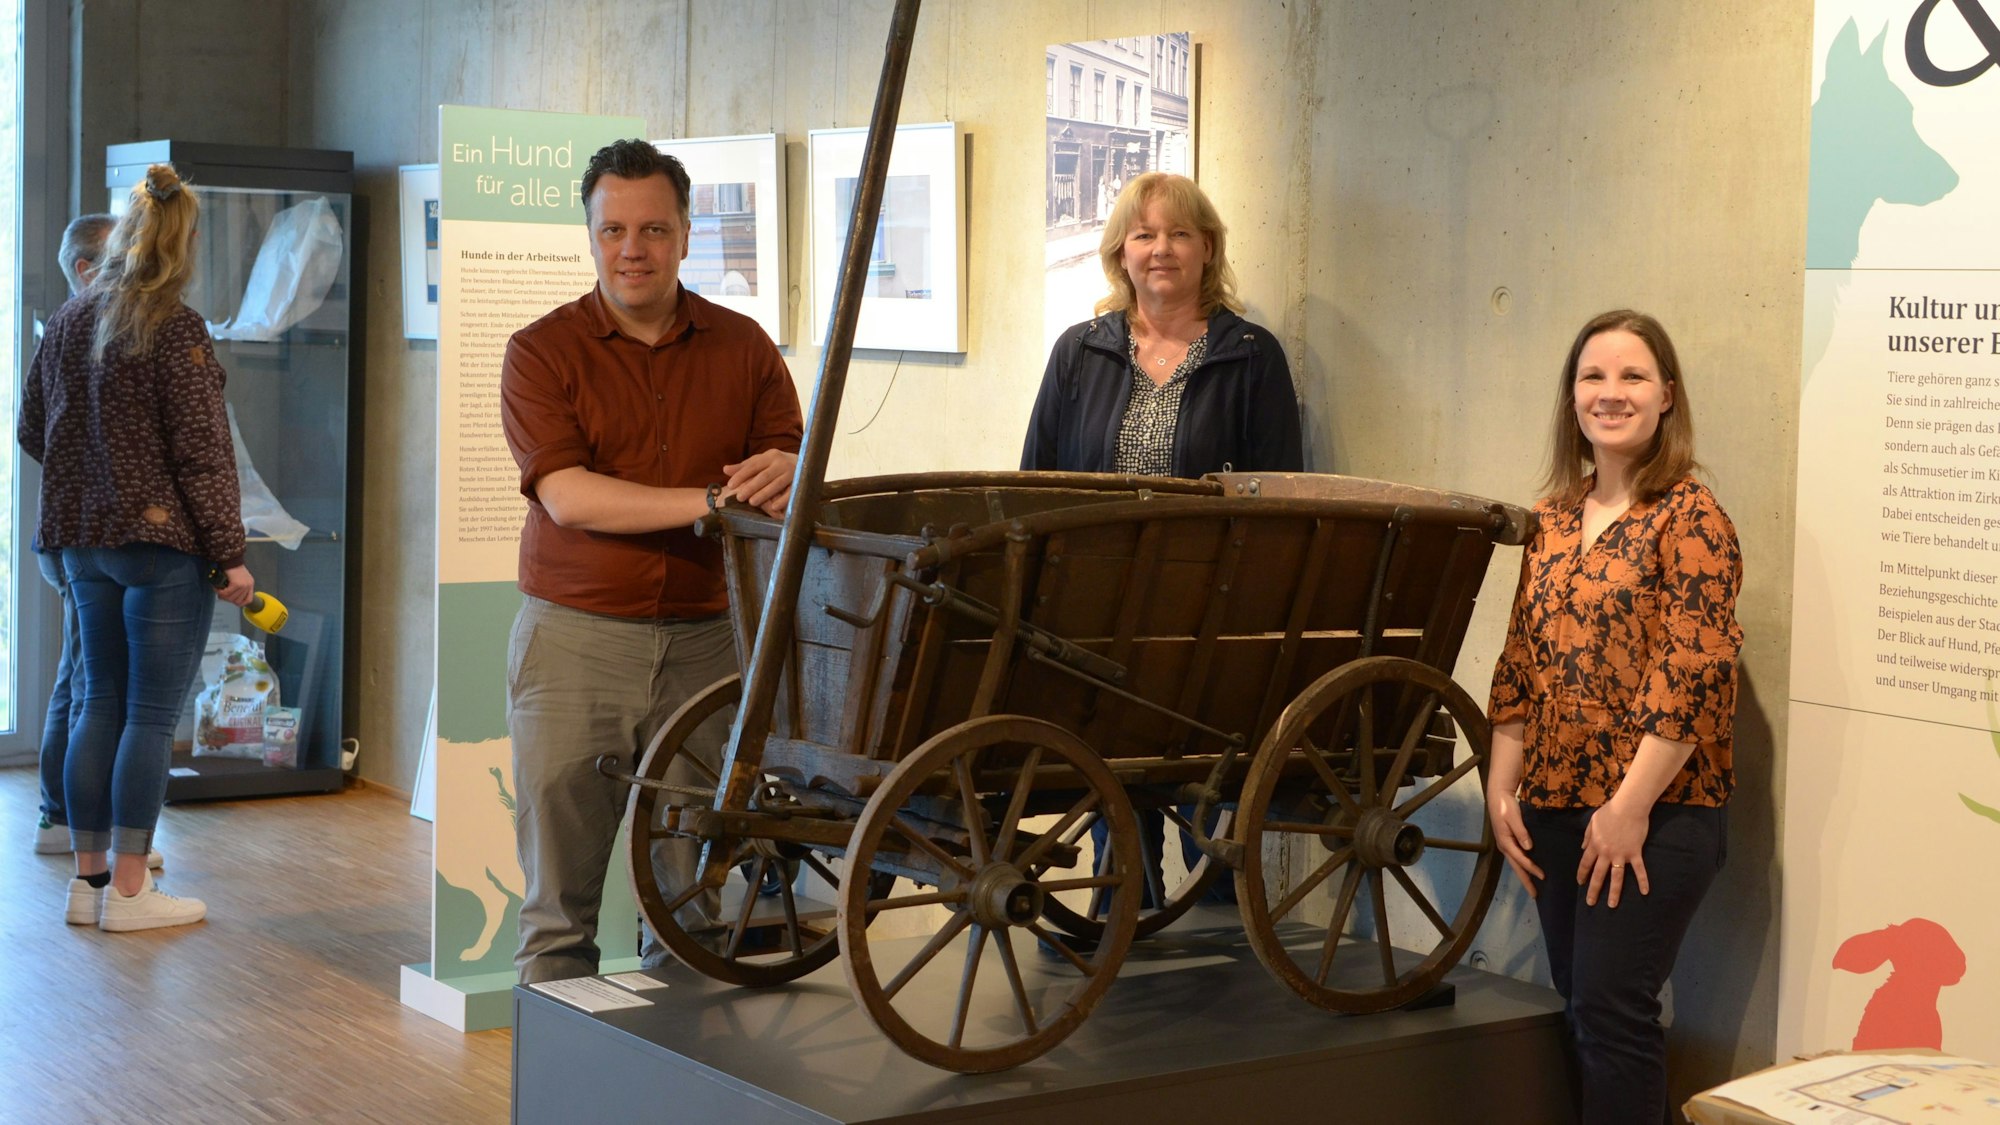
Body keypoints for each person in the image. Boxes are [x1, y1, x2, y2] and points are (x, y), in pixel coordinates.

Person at [500, 138, 803, 985]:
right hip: (575, 649)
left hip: (711, 643)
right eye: (614, 230)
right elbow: (570, 497)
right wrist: (715, 501)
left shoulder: (743, 347)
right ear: (590, 233)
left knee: (692, 908)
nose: (633, 249)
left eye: (654, 229)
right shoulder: (540, 351)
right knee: (559, 913)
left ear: (685, 232)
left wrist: (790, 464)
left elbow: (787, 463)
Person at [1485, 309, 1742, 1124]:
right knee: (1586, 1009)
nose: (1612, 393)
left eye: (1633, 376)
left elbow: (1692, 674)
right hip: (1555, 806)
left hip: (1655, 815)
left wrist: (1628, 808)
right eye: (1594, 376)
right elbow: (1521, 660)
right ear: (1571, 397)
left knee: (1611, 1013)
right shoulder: (1551, 521)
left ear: (1667, 395)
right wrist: (1501, 792)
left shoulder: (1690, 517)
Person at [1022, 171, 1302, 911]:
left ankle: (1220, 948)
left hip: (1209, 611)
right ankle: (1123, 918)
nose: (1161, 249)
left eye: (1179, 233)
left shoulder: (1251, 355)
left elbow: (1283, 494)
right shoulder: (1079, 352)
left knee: (1207, 800)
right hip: (1097, 609)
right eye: (1143, 234)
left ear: (1208, 248)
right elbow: (1037, 480)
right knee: (1109, 779)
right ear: (1119, 252)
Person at [19, 165, 256, 931]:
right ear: (182, 242)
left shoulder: (67, 320)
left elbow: (30, 428)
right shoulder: (175, 326)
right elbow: (203, 454)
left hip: (80, 543)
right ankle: (131, 890)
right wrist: (230, 553)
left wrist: (94, 475)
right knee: (150, 717)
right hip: (160, 548)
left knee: (97, 702)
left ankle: (87, 887)